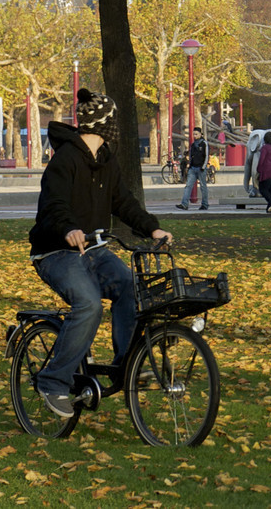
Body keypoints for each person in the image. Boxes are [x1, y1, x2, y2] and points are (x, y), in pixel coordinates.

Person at [28, 90, 171, 418]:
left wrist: (152, 228)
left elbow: (123, 202)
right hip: (56, 253)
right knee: (89, 304)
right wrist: (68, 228)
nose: (117, 127)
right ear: (103, 124)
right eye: (114, 121)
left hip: (94, 250)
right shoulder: (65, 159)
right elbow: (54, 204)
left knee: (129, 287)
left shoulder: (107, 159)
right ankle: (53, 380)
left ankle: (126, 365)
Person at [176, 132, 209, 211]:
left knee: (203, 187)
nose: (194, 136)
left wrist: (203, 167)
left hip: (201, 168)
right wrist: (190, 165)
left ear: (201, 134)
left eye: (196, 134)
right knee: (188, 186)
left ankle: (204, 204)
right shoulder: (193, 144)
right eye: (193, 134)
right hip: (193, 168)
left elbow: (206, 155)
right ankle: (184, 204)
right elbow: (191, 155)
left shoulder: (204, 144)